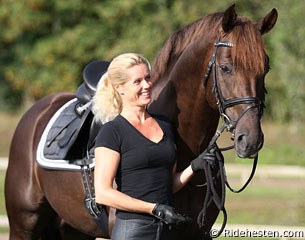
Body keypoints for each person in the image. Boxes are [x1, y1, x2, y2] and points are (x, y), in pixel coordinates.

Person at [93, 53, 208, 240]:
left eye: (148, 78)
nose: (146, 85)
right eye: (137, 81)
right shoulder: (112, 132)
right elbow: (103, 194)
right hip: (133, 231)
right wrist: (153, 209)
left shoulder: (165, 126)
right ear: (119, 88)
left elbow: (166, 185)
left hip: (167, 230)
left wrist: (194, 167)